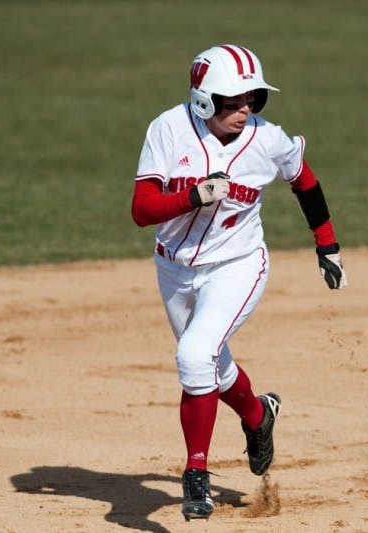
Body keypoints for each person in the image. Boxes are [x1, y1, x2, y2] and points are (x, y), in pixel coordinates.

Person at [131, 44, 347, 521]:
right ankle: (257, 415)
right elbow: (141, 210)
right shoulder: (168, 129)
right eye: (233, 101)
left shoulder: (266, 140)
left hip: (238, 266)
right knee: (210, 366)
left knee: (193, 355)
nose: (245, 109)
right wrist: (192, 196)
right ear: (205, 102)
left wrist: (326, 246)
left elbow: (304, 181)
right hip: (173, 268)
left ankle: (196, 476)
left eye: (253, 98)